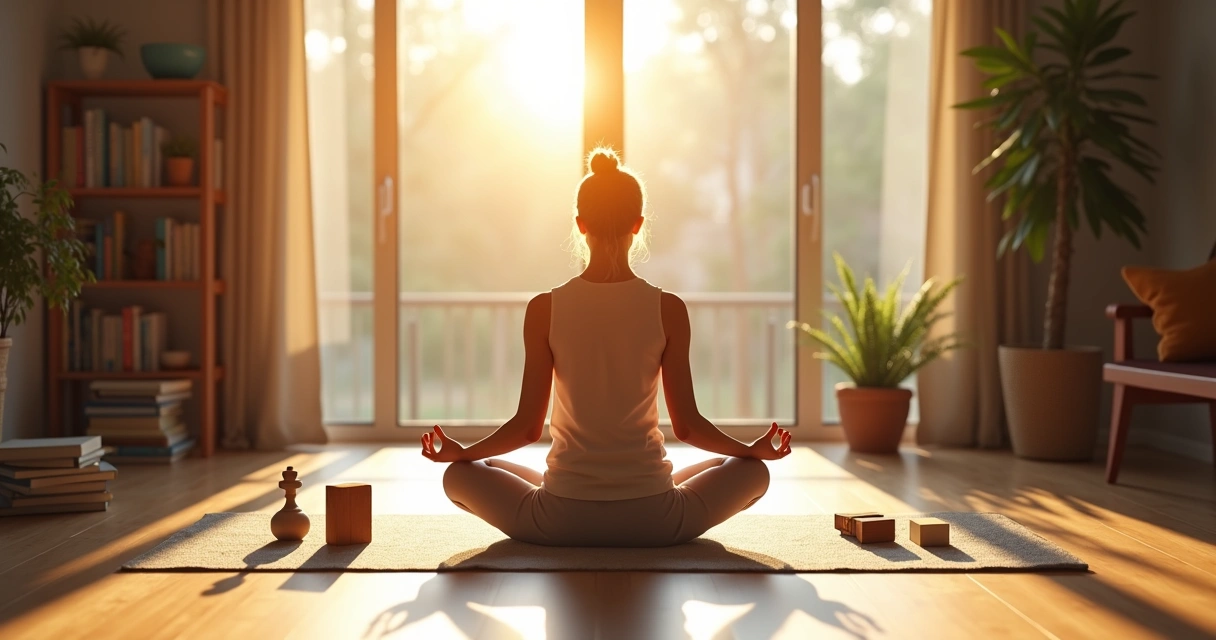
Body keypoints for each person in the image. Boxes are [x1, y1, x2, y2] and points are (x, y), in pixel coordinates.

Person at [420, 146, 791, 547]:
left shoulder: (544, 309)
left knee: (462, 473)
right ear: (638, 224)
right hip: (656, 519)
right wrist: (751, 450)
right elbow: (687, 427)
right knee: (749, 469)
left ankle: (534, 482)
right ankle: (669, 483)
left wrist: (462, 454)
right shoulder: (669, 309)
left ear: (580, 225)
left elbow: (527, 428)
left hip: (559, 519)